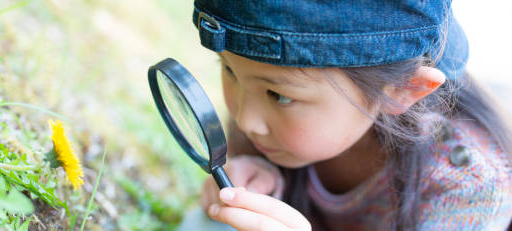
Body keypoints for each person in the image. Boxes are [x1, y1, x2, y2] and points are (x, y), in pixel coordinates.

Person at [177, 0, 512, 230]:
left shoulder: (466, 191)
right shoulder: (278, 114)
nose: (246, 120)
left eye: (279, 95)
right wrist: (258, 175)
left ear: (401, 90)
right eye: (229, 70)